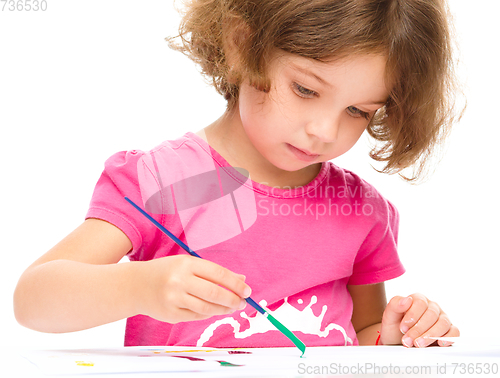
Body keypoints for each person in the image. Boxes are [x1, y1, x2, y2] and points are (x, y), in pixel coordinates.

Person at [14, 0, 463, 348]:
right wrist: (139, 286)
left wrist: (399, 335)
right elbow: (34, 300)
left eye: (357, 111)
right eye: (305, 89)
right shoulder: (164, 180)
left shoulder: (361, 211)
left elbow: (361, 334)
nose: (324, 130)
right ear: (242, 43)